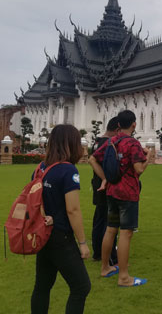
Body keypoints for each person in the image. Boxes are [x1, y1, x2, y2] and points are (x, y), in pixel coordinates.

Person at [31, 124, 91, 314]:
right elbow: (73, 210)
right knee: (81, 286)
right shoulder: (68, 170)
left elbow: (34, 200)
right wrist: (82, 242)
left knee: (42, 286)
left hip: (42, 234)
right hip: (60, 237)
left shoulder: (40, 167)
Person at [89, 110, 149, 287]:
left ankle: (105, 267)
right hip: (128, 193)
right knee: (126, 233)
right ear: (134, 124)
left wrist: (106, 177)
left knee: (110, 229)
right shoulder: (133, 143)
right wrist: (149, 158)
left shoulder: (111, 141)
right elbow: (138, 169)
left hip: (112, 192)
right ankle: (123, 276)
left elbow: (92, 159)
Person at [91, 116, 119, 263]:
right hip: (106, 186)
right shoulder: (109, 143)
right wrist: (105, 179)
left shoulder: (97, 141)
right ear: (117, 129)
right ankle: (108, 255)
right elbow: (93, 160)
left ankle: (97, 252)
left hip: (97, 185)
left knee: (99, 218)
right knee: (109, 222)